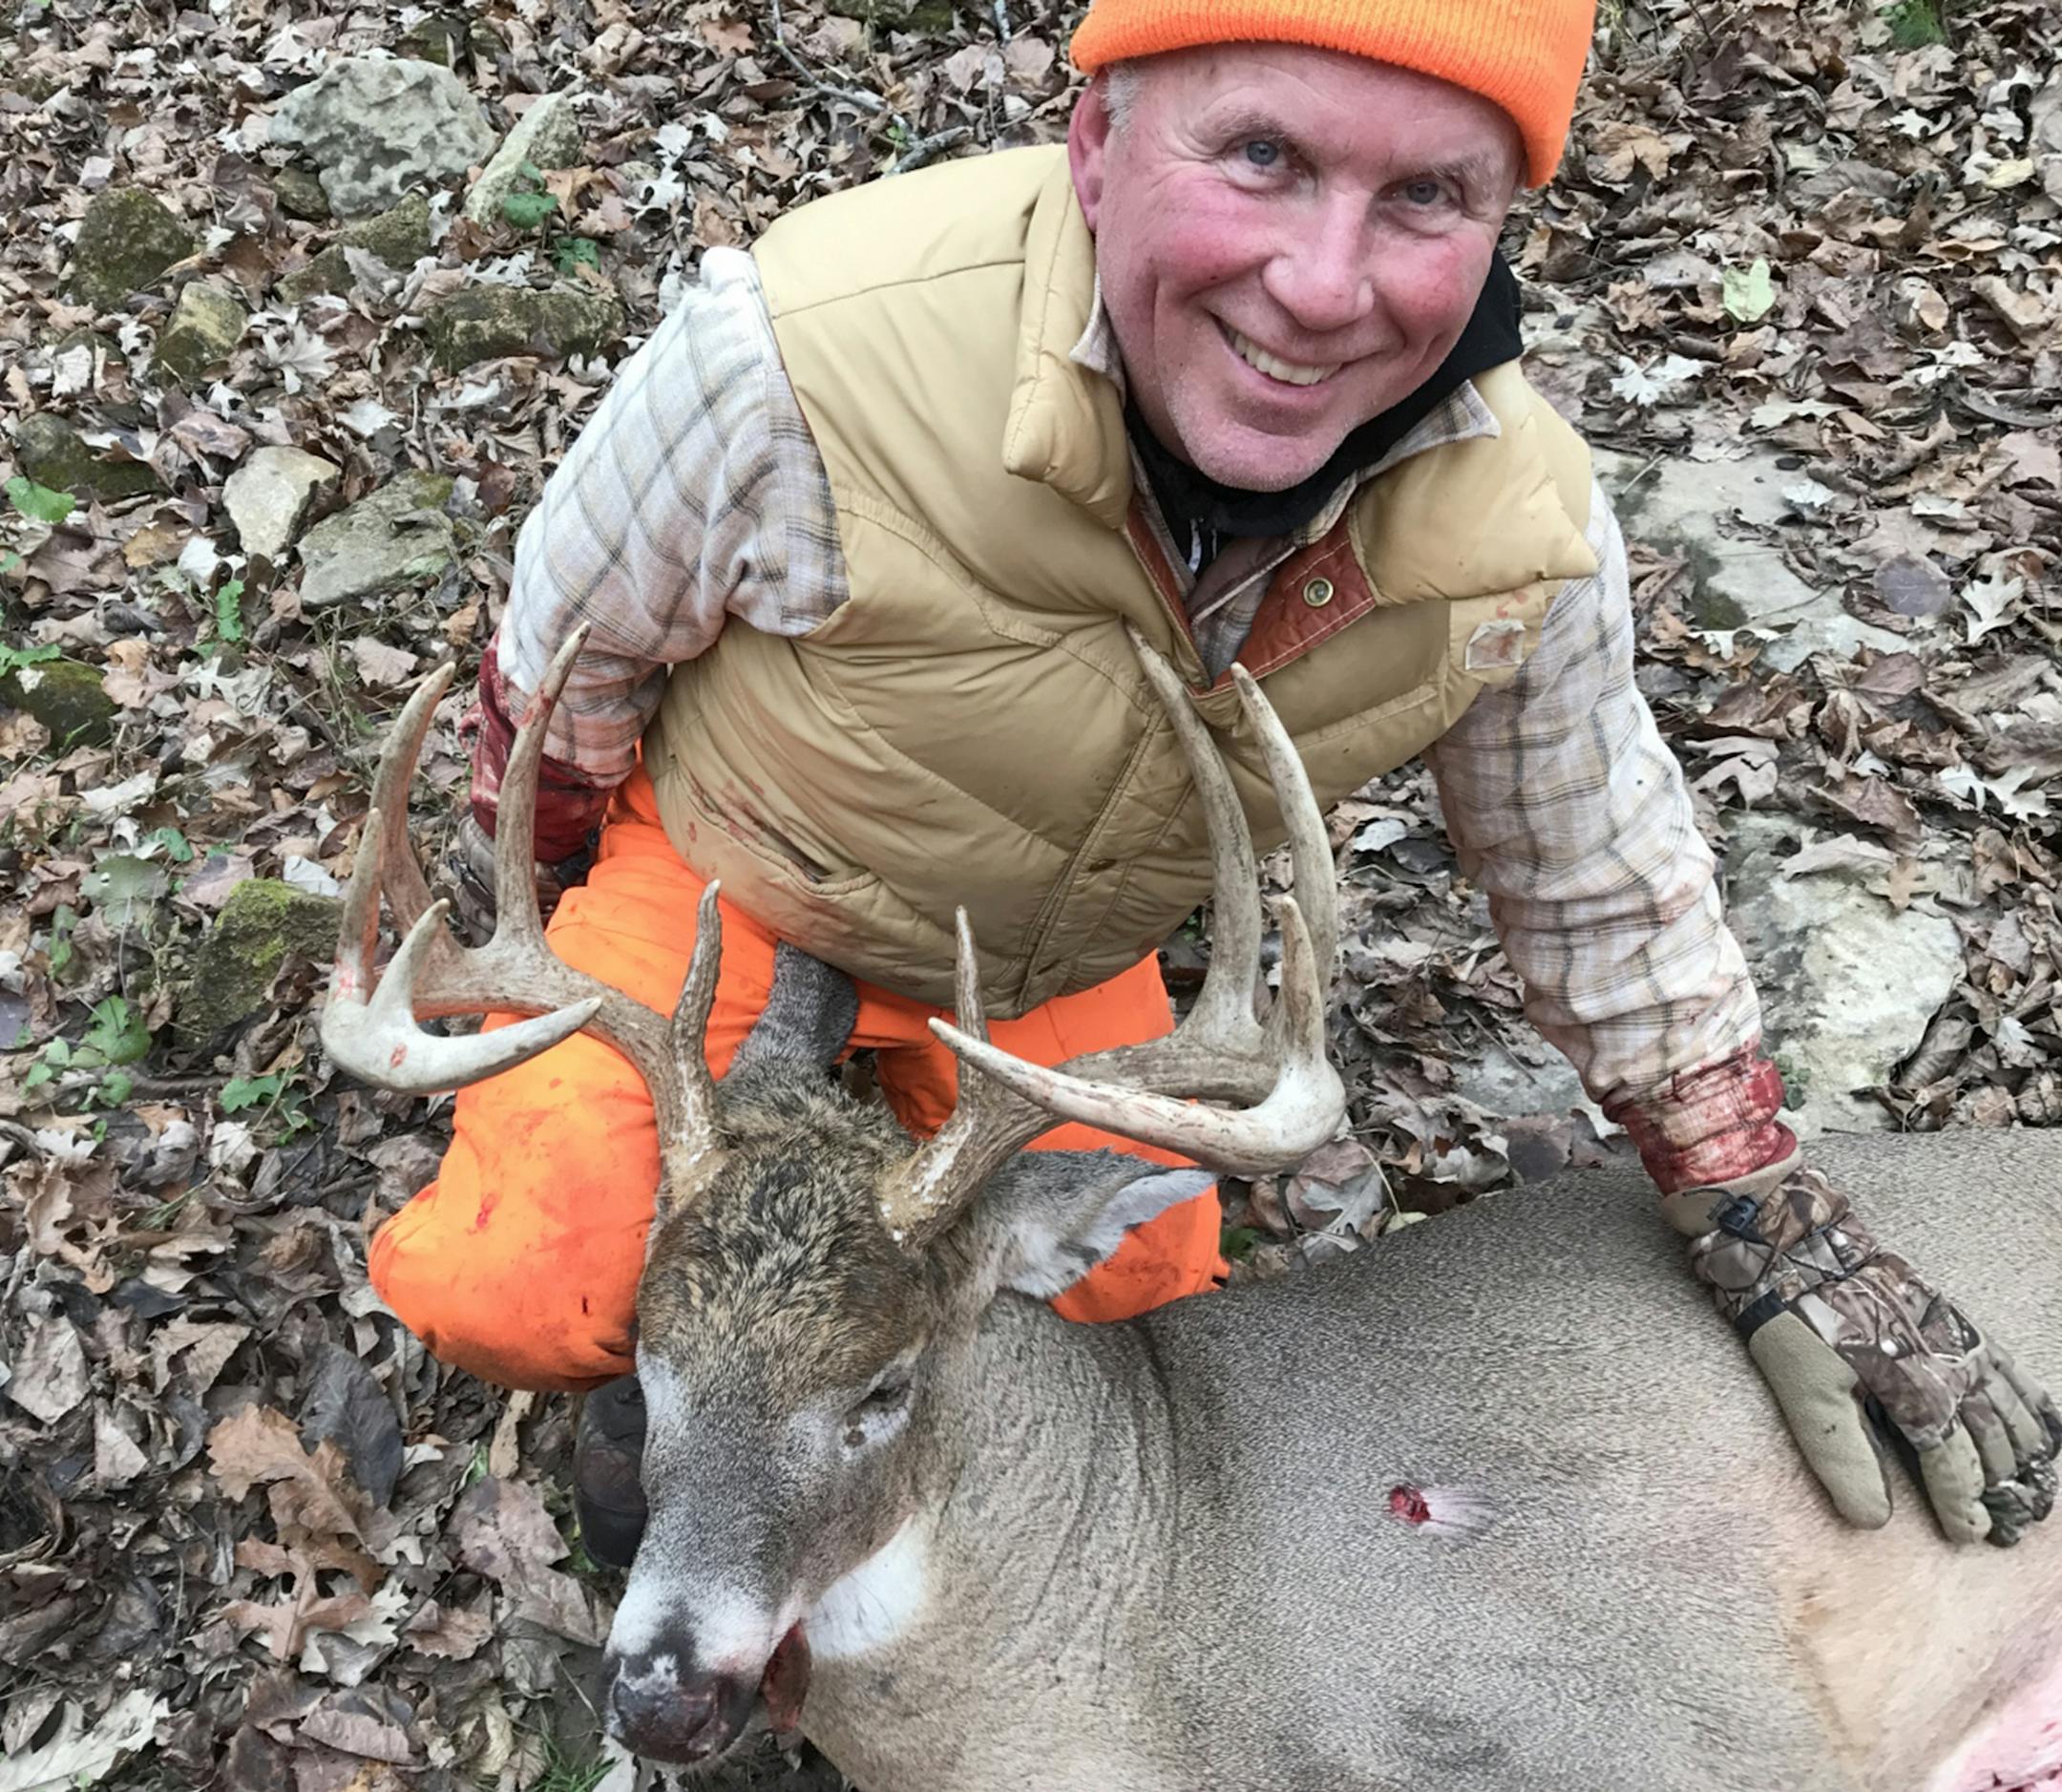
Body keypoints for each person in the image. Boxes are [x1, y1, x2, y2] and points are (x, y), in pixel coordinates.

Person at [366, 0, 2059, 1565]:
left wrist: (1757, 1198)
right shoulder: (804, 359)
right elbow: (559, 686)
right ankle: (692, 1407)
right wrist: (559, 943)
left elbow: (1592, 855)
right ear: (1096, 141)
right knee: (538, 1266)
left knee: (1130, 1316)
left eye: (1425, 197)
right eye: (1262, 156)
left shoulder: (1514, 532)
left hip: (1049, 969)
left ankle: (858, 1468)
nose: (1323, 285)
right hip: (739, 896)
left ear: (1505, 222)